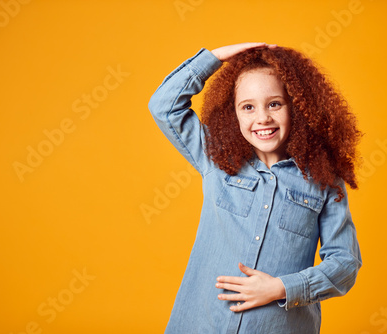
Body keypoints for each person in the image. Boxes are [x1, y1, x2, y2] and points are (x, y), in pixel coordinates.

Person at [148, 43, 362, 334]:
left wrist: (280, 288)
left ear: (297, 107)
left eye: (274, 104)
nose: (262, 118)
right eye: (248, 107)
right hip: (201, 324)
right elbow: (164, 105)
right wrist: (217, 57)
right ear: (232, 113)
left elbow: (345, 263)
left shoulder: (326, 180)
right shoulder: (215, 158)